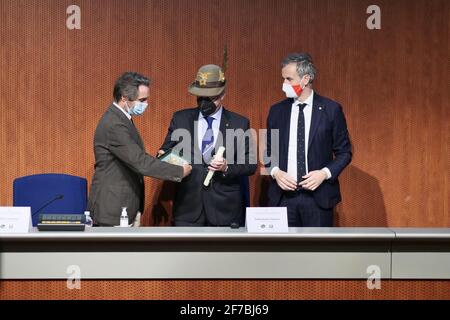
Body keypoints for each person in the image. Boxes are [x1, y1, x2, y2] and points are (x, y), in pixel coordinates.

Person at [87, 72, 192, 226]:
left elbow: (134, 157)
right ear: (124, 98)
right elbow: (140, 162)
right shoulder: (114, 124)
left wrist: (163, 159)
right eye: (142, 100)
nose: (146, 104)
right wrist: (179, 171)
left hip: (125, 204)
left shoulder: (121, 119)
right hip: (113, 208)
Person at [159, 64, 256, 226]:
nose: (203, 102)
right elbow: (165, 153)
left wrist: (226, 167)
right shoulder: (180, 118)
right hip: (188, 208)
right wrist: (170, 161)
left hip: (225, 211)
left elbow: (250, 164)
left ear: (223, 94)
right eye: (200, 97)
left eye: (209, 97)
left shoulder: (239, 123)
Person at [265, 53, 352, 227]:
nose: (284, 85)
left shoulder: (331, 110)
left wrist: (324, 173)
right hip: (283, 199)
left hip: (318, 199)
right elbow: (267, 150)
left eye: (289, 79)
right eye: (283, 79)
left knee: (318, 253)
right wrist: (275, 172)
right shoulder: (277, 111)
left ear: (305, 79)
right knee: (282, 254)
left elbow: (345, 152)